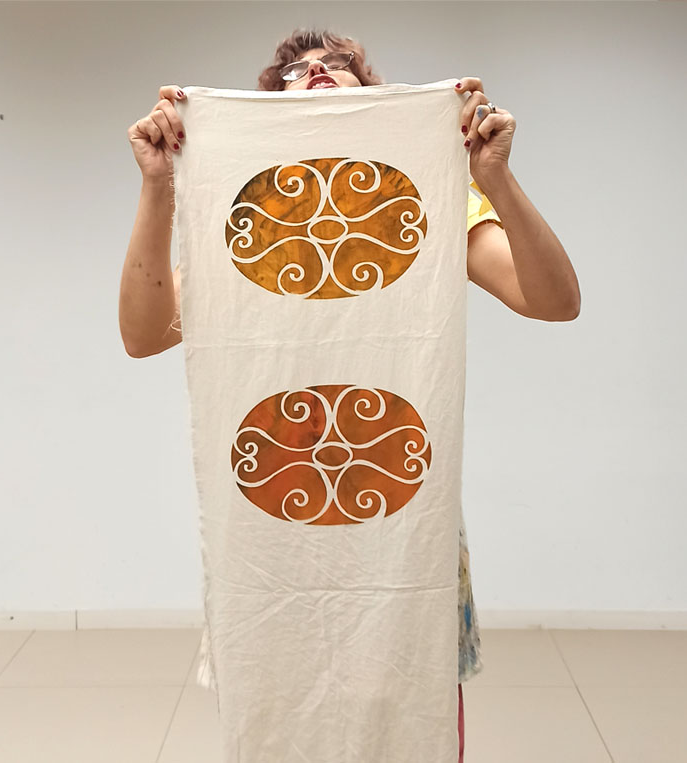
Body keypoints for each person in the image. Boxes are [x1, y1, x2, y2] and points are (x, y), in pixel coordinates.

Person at [119, 28, 581, 763]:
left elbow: (554, 302)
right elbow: (143, 336)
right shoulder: (245, 218)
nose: (315, 71)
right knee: (283, 708)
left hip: (397, 517)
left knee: (407, 707)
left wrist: (493, 179)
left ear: (376, 97)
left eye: (337, 65)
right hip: (275, 520)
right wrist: (158, 187)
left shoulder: (417, 204)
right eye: (294, 72)